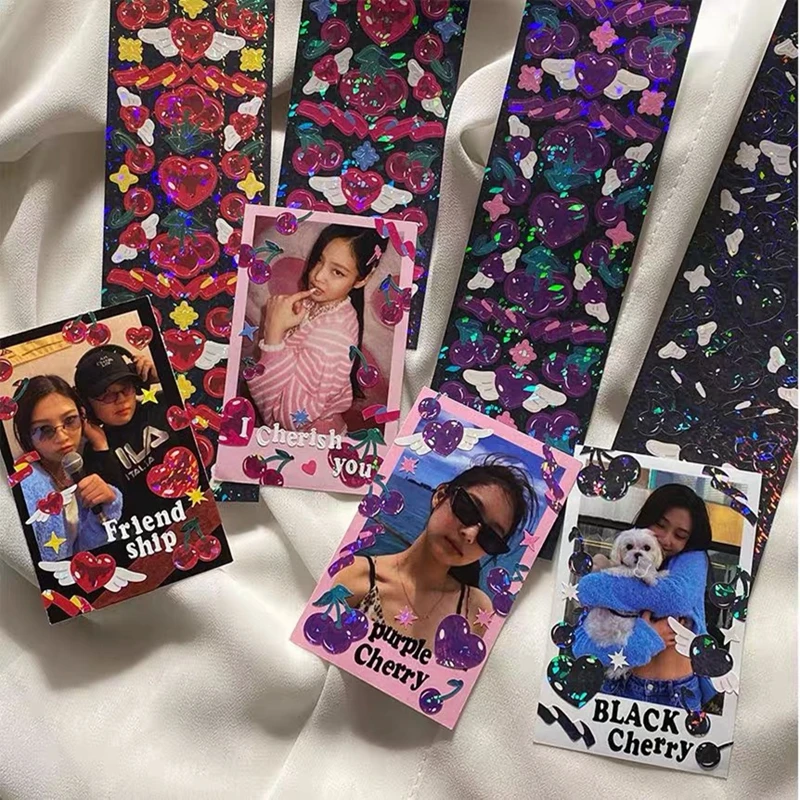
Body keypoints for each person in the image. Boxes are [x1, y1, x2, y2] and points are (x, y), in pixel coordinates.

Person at [336, 460, 537, 645]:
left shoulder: (475, 611)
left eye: (490, 537)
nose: (470, 534)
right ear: (440, 496)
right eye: (467, 509)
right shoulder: (354, 576)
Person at [572, 484, 717, 712]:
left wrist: (595, 585)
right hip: (615, 687)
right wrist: (645, 639)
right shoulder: (624, 557)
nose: (667, 540)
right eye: (660, 525)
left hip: (674, 693)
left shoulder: (692, 560)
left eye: (680, 535)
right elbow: (582, 648)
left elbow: (675, 598)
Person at [246, 224, 384, 435]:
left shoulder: (334, 338)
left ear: (363, 279)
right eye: (319, 260)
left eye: (337, 272)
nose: (318, 276)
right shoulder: (318, 305)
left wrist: (274, 333)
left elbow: (289, 419)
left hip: (307, 441)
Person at [13, 375, 123, 562]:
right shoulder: (26, 487)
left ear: (82, 416)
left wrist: (107, 504)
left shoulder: (71, 467)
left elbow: (81, 549)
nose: (63, 437)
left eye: (70, 420)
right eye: (45, 429)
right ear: (27, 435)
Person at [74, 345, 179, 512]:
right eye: (106, 394)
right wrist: (102, 447)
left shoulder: (163, 403)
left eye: (126, 387)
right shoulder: (94, 454)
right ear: (86, 405)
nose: (121, 399)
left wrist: (166, 375)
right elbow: (117, 509)